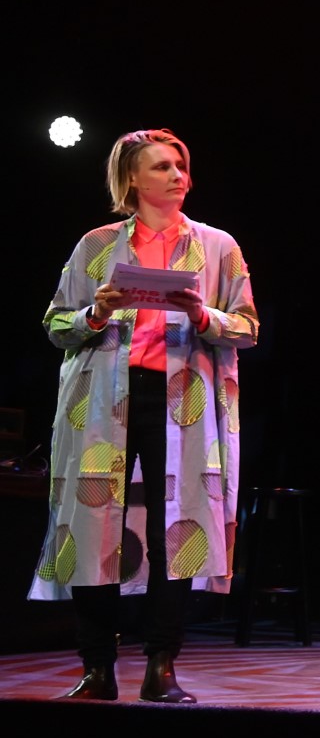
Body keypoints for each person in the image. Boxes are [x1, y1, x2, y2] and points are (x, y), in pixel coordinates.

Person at [34, 128, 259, 703]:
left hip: (181, 402)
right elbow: (56, 324)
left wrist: (202, 315)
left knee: (174, 533)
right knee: (93, 529)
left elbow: (247, 327)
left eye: (180, 164)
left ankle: (162, 664)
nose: (177, 175)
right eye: (162, 166)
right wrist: (94, 312)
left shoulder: (217, 246)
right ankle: (97, 667)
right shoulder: (97, 244)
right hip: (103, 401)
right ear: (132, 178)